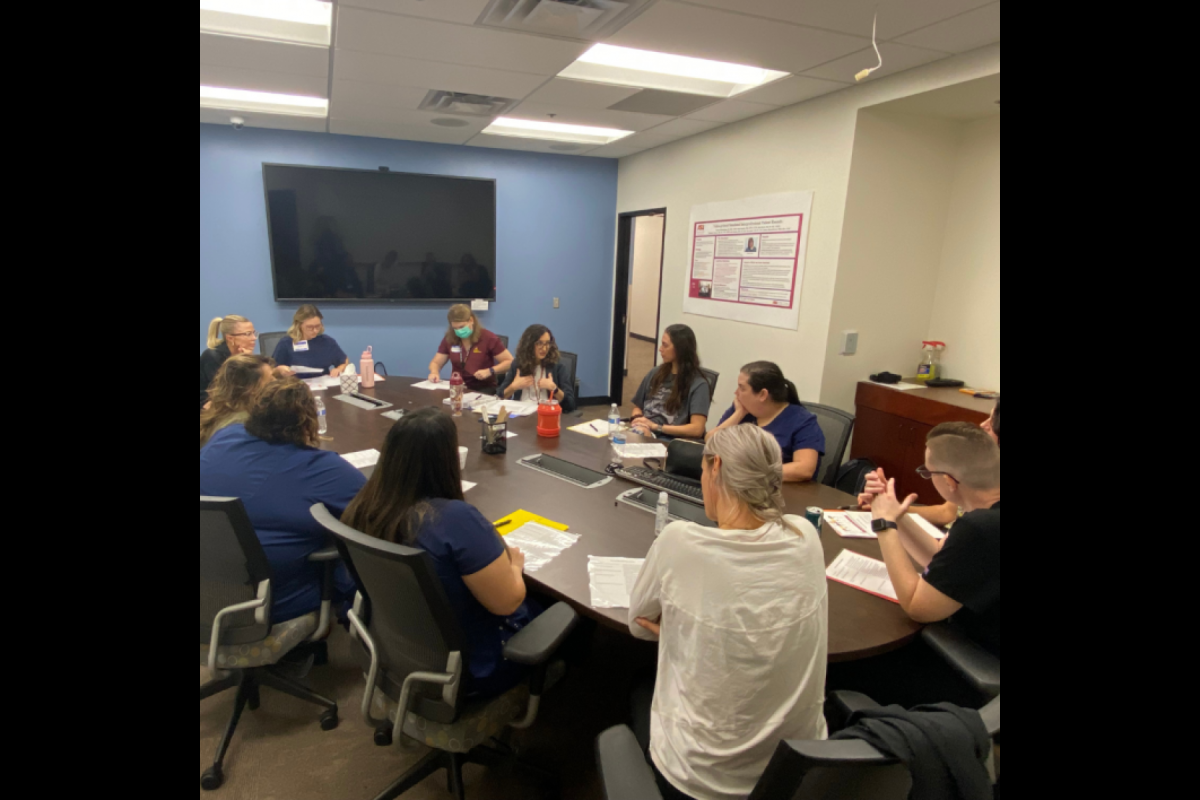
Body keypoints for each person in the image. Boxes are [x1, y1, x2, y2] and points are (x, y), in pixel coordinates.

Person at [628, 425, 829, 800]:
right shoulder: (806, 537)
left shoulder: (680, 541)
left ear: (715, 466)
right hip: (797, 772)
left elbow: (638, 623)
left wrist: (681, 631)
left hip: (698, 781)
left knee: (638, 690)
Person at [342, 409, 541, 700]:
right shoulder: (454, 519)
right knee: (560, 611)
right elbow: (508, 602)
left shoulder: (365, 506)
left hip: (395, 649)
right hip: (470, 669)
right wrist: (514, 566)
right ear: (446, 460)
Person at [199, 378, 365, 624]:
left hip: (210, 588)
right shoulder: (321, 469)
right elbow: (376, 508)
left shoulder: (223, 438)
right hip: (272, 603)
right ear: (309, 421)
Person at [869, 422, 1001, 656]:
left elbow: (917, 607)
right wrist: (897, 516)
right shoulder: (987, 518)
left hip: (972, 657)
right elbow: (943, 561)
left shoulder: (979, 528)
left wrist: (883, 524)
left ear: (950, 481)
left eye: (928, 472)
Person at [859, 399, 1001, 526]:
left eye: (992, 421)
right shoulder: (977, 461)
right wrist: (892, 507)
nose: (983, 424)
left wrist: (888, 519)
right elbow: (947, 513)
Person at [707, 362, 826, 483]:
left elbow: (804, 469)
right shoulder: (742, 408)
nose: (736, 393)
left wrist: (749, 474)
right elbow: (710, 442)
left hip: (780, 491)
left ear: (763, 394)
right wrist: (738, 414)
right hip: (741, 487)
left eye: (742, 388)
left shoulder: (802, 421)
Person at [630, 325, 711, 440]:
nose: (660, 348)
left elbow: (697, 429)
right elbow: (637, 406)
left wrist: (655, 427)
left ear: (680, 349)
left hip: (668, 439)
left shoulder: (698, 384)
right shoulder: (655, 372)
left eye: (665, 345)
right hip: (644, 430)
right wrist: (638, 420)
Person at [200, 315, 291, 410]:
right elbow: (230, 390)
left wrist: (277, 371)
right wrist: (247, 360)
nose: (254, 338)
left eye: (253, 333)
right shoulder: (212, 356)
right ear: (230, 338)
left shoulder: (243, 353)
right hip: (211, 405)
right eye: (248, 334)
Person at [427, 305, 514, 394]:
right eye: (455, 328)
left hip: (483, 388)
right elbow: (436, 362)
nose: (458, 331)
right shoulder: (450, 338)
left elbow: (510, 362)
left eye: (461, 327)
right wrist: (434, 372)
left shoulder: (488, 338)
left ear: (471, 320)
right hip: (457, 387)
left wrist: (490, 371)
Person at [200, 355, 275, 449]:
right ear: (252, 387)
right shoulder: (244, 426)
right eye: (271, 380)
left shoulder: (217, 412)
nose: (276, 383)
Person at [498, 325, 577, 412]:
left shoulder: (557, 365)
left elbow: (570, 404)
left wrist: (554, 389)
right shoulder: (518, 364)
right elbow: (501, 396)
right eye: (539, 343)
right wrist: (513, 387)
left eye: (547, 343)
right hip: (522, 415)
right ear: (529, 345)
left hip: (547, 413)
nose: (544, 348)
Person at [272, 305, 351, 377]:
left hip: (322, 386)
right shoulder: (286, 343)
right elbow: (272, 370)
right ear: (299, 325)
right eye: (310, 327)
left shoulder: (327, 342)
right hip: (295, 387)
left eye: (318, 326)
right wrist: (280, 369)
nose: (315, 330)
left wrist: (339, 369)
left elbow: (344, 360)